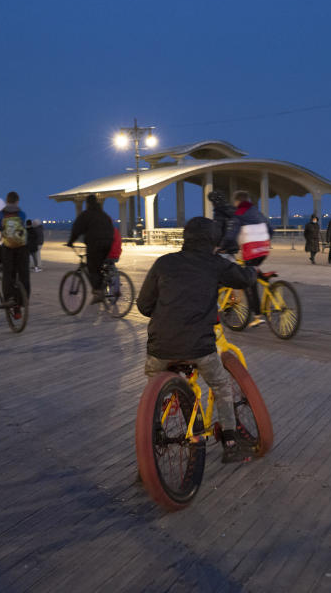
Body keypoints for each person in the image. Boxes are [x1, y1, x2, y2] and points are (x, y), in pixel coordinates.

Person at [137, 217, 258, 463]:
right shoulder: (215, 264)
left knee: (153, 390)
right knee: (221, 385)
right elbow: (243, 279)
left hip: (160, 347)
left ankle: (152, 438)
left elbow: (143, 305)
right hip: (199, 348)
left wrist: (166, 313)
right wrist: (253, 270)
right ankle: (231, 442)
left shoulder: (164, 263)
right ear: (213, 242)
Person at [220, 191, 272, 328]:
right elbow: (271, 229)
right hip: (264, 249)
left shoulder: (239, 214)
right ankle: (264, 277)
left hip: (251, 251)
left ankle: (257, 316)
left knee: (249, 282)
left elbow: (231, 235)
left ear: (237, 202)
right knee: (255, 269)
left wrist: (221, 247)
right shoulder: (258, 212)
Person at [66, 194, 115, 304]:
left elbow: (76, 229)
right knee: (99, 266)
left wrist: (71, 241)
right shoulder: (103, 214)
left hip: (95, 243)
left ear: (87, 204)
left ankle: (98, 293)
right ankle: (104, 284)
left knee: (92, 267)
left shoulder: (86, 214)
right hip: (109, 242)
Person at [0, 191, 30, 318]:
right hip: (22, 248)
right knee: (23, 274)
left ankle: (9, 298)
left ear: (7, 201)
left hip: (8, 248)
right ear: (17, 201)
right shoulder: (22, 214)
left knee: (8, 273)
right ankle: (23, 299)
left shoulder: (2, 214)